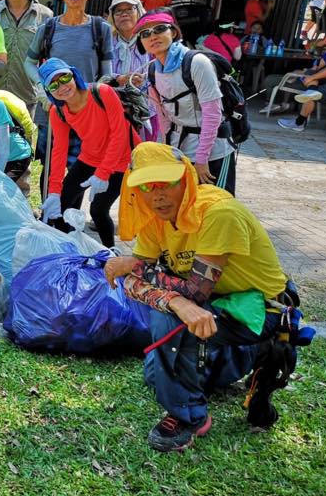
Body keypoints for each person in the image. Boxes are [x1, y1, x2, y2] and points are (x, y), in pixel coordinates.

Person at [105, 143, 293, 452]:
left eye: (167, 182)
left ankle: (189, 416)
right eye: (147, 186)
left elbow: (194, 290)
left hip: (259, 308)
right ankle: (247, 355)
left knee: (171, 327)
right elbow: (132, 285)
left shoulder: (218, 213)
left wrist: (138, 267)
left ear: (188, 179)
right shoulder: (155, 219)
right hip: (211, 304)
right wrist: (175, 300)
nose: (158, 194)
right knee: (156, 373)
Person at [24, 0, 114, 195]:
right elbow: (29, 62)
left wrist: (96, 96)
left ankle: (71, 217)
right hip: (53, 111)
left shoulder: (100, 28)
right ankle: (47, 215)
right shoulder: (49, 28)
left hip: (87, 115)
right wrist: (43, 88)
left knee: (81, 167)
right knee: (50, 164)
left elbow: (106, 74)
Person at [138, 9, 237, 194]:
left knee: (216, 209)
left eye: (160, 29)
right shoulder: (153, 70)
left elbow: (213, 114)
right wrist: (166, 152)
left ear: (173, 32)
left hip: (213, 153)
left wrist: (202, 160)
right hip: (180, 151)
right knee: (184, 210)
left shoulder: (197, 62)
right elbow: (164, 118)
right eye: (145, 33)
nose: (153, 36)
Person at [38, 58, 133, 249]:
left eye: (64, 78)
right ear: (49, 92)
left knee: (98, 211)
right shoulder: (58, 112)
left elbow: (120, 134)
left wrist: (103, 173)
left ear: (73, 75)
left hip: (122, 159)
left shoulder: (102, 92)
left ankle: (109, 254)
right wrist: (54, 191)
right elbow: (59, 151)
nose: (62, 87)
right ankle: (68, 251)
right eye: (54, 84)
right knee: (60, 205)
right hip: (90, 157)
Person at [278, 0, 326, 132]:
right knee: (311, 77)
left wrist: (313, 78)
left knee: (312, 93)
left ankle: (299, 123)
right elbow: (313, 45)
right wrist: (323, 42)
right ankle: (311, 90)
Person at [108, 0, 157, 142]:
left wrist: (144, 80)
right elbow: (101, 73)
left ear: (139, 12)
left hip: (148, 109)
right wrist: (119, 79)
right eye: (118, 11)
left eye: (129, 9)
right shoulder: (107, 42)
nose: (124, 14)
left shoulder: (151, 40)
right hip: (114, 108)